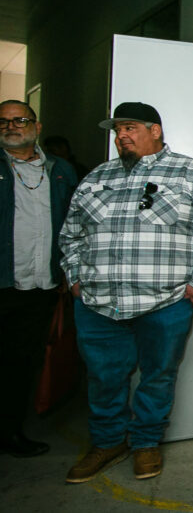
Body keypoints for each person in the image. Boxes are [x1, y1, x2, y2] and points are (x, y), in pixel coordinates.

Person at [60, 102, 193, 483]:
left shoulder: (191, 172)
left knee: (158, 376)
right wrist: (74, 276)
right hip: (97, 302)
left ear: (155, 130)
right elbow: (70, 233)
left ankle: (146, 443)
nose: (121, 135)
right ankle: (107, 443)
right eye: (118, 130)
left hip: (165, 302)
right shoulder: (96, 177)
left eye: (130, 127)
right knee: (104, 377)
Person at [0, 100, 77, 457]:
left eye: (20, 120)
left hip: (39, 288)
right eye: (3, 121)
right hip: (3, 282)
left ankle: (10, 433)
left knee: (20, 366)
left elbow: (72, 225)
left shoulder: (61, 170)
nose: (11, 126)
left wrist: (65, 270)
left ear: (37, 126)